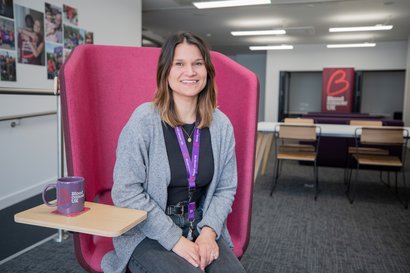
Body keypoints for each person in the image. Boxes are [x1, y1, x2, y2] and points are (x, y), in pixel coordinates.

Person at [101, 32, 247, 273]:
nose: (190, 72)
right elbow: (126, 192)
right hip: (148, 231)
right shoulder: (144, 120)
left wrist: (209, 232)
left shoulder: (221, 125)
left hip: (201, 226)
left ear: (207, 71)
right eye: (179, 64)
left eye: (197, 63)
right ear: (165, 72)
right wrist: (174, 240)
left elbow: (225, 188)